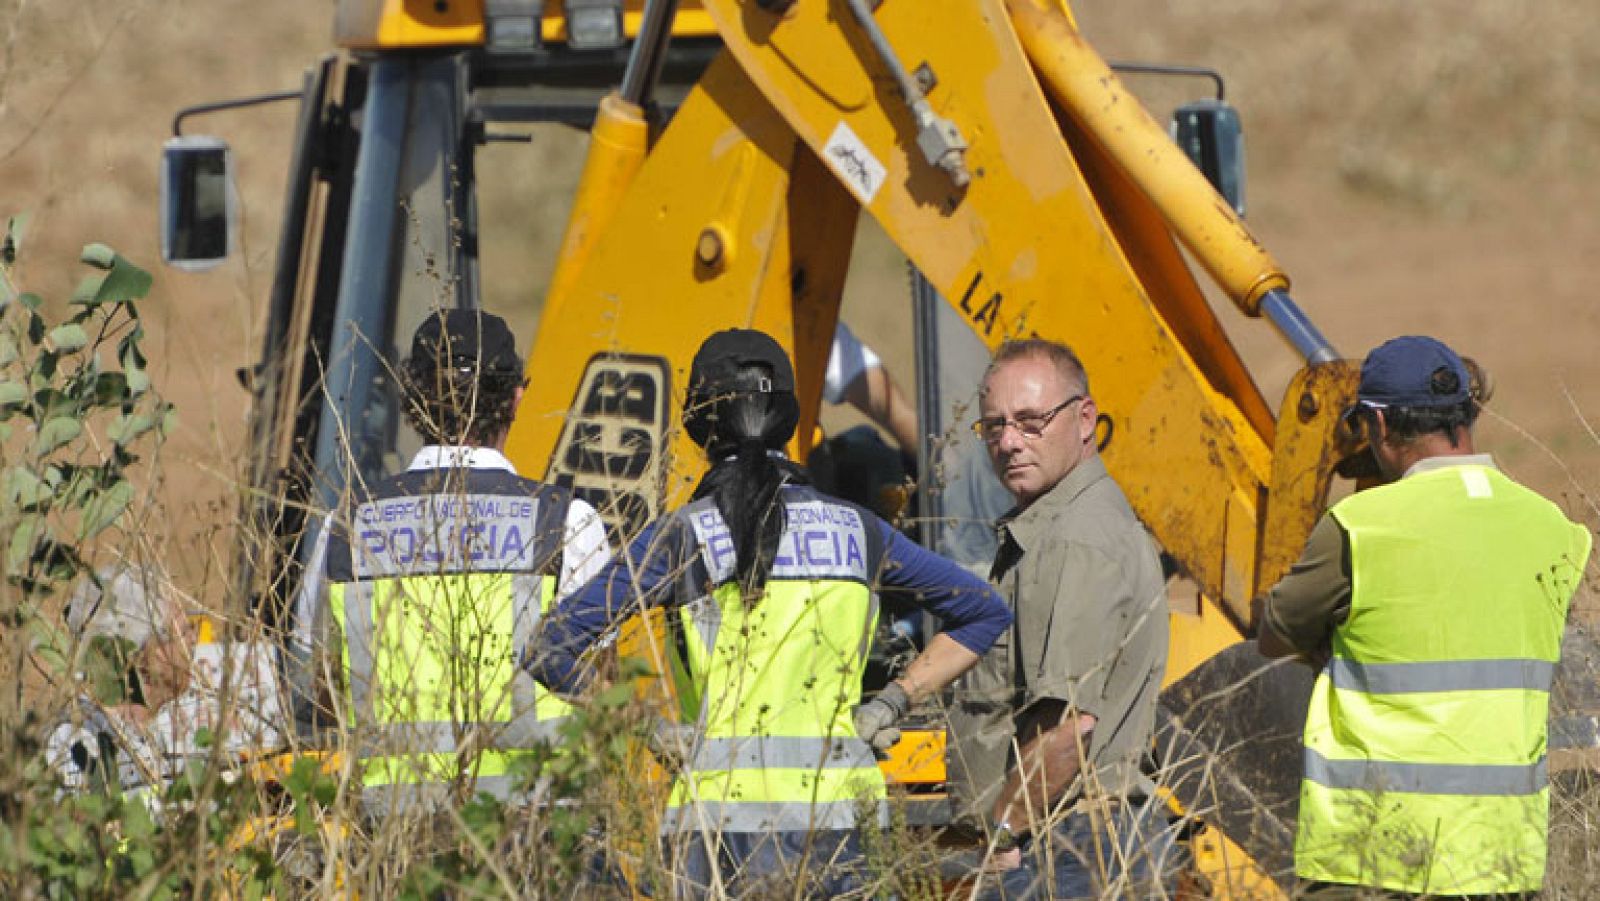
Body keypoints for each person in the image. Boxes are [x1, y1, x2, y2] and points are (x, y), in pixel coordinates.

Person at [528, 328, 1012, 898]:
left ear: (699, 425)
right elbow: (983, 611)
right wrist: (891, 702)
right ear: (789, 418)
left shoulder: (683, 536)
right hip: (843, 823)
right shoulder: (860, 530)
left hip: (716, 832)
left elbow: (551, 646)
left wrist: (648, 728)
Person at [1256, 336, 1591, 898]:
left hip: (1373, 855)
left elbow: (1275, 634)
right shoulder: (1554, 529)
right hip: (1500, 857)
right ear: (1466, 415)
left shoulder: (1359, 526)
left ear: (1379, 426)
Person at [299, 309, 611, 816]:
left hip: (393, 825)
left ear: (412, 401)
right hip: (532, 826)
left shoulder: (347, 527)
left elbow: (316, 681)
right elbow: (601, 688)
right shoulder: (566, 522)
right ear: (515, 398)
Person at [945, 338, 1178, 898]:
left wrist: (1003, 834)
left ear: (1085, 419)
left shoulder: (1075, 540)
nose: (1009, 442)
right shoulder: (1057, 527)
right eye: (994, 426)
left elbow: (1068, 729)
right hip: (1076, 838)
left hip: (1071, 845)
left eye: (1031, 422)